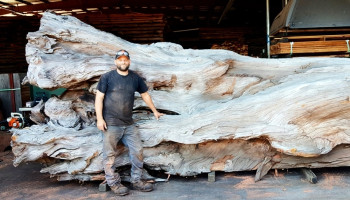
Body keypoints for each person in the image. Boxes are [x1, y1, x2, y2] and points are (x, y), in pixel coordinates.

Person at [95, 49, 164, 196]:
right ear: (115, 62)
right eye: (120, 59)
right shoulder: (107, 77)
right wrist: (100, 119)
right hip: (111, 124)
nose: (123, 61)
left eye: (125, 59)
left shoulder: (135, 78)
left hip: (129, 124)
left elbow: (145, 95)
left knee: (137, 151)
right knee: (109, 156)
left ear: (129, 61)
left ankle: (137, 180)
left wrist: (155, 111)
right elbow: (99, 98)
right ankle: (114, 183)